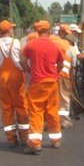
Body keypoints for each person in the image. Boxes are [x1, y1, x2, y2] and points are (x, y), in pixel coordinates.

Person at [19, 20, 65, 154]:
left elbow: (22, 61)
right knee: (52, 110)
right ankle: (56, 140)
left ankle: (34, 143)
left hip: (37, 82)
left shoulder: (30, 45)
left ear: (37, 32)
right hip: (52, 83)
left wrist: (30, 71)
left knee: (36, 111)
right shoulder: (55, 45)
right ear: (49, 31)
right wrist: (55, 74)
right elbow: (61, 63)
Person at [0, 20, 29, 147]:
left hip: (2, 77)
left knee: (6, 108)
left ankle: (11, 139)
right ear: (10, 30)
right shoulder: (16, 42)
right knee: (21, 106)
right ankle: (24, 137)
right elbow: (22, 60)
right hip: (16, 76)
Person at [50, 24, 79, 129]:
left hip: (50, 73)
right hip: (63, 75)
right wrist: (71, 81)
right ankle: (64, 121)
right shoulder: (70, 48)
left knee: (52, 98)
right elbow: (73, 67)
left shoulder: (54, 42)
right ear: (71, 41)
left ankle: (51, 121)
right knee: (64, 98)